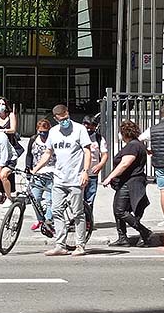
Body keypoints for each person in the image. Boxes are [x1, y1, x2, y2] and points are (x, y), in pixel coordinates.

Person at [33, 104, 94, 257]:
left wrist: (86, 171)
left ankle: (80, 245)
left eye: (66, 118)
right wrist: (36, 168)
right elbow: (48, 153)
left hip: (75, 178)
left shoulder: (79, 129)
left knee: (77, 213)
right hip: (59, 178)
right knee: (56, 211)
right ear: (56, 119)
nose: (65, 121)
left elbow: (87, 151)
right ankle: (60, 245)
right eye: (61, 120)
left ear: (68, 114)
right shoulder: (53, 132)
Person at [102, 120, 155, 247]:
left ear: (125, 133)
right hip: (129, 182)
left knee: (120, 210)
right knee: (118, 209)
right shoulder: (137, 144)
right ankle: (122, 237)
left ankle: (145, 232)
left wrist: (110, 177)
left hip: (130, 182)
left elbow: (125, 163)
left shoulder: (132, 146)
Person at [27, 119, 54, 231]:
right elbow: (29, 155)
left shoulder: (52, 140)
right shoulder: (33, 139)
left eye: (45, 132)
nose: (42, 134)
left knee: (50, 200)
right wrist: (28, 168)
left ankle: (48, 221)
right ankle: (40, 219)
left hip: (51, 173)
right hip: (37, 173)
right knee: (35, 198)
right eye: (40, 131)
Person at [82, 115, 109, 208]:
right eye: (87, 125)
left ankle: (88, 220)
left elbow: (105, 154)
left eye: (92, 125)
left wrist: (100, 165)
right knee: (77, 200)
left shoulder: (99, 138)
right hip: (79, 174)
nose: (89, 128)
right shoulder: (78, 138)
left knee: (90, 200)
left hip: (92, 174)